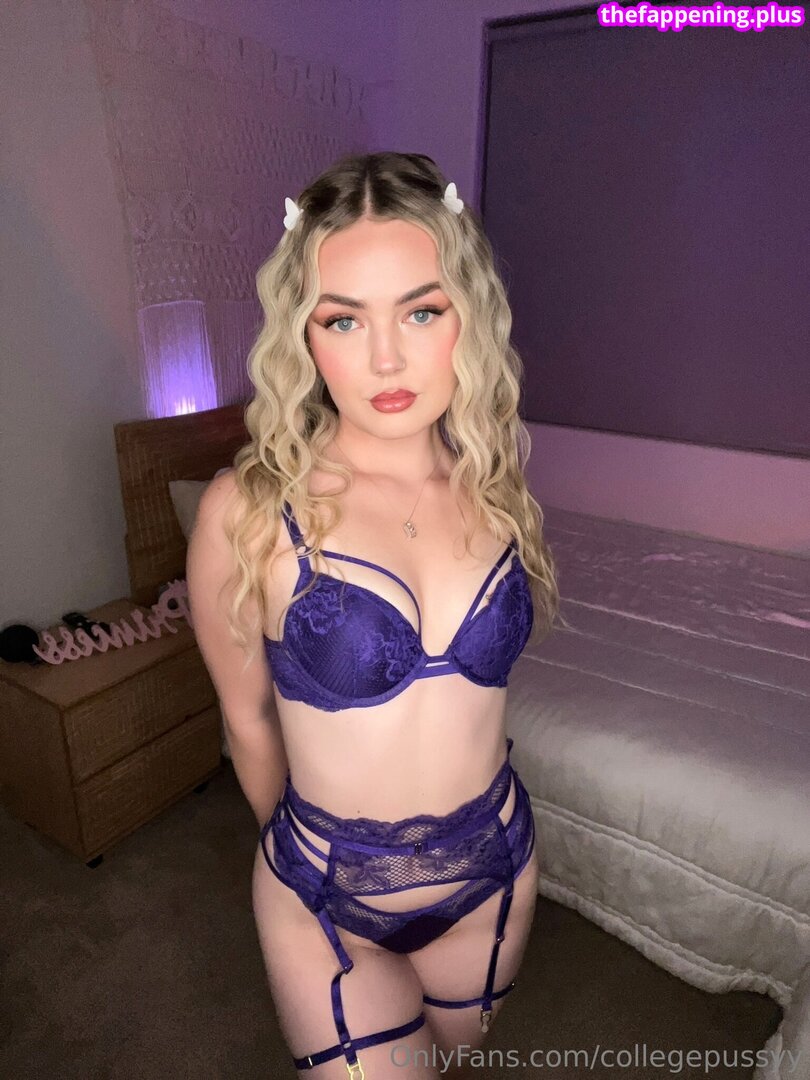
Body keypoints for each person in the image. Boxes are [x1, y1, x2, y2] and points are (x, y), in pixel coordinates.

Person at [187, 152, 562, 1080]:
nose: (386, 359)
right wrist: (308, 863)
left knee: (452, 1062)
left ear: (466, 317)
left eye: (421, 312)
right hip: (324, 891)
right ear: (305, 337)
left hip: (496, 867)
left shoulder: (495, 486)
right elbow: (246, 716)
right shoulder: (250, 510)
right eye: (344, 320)